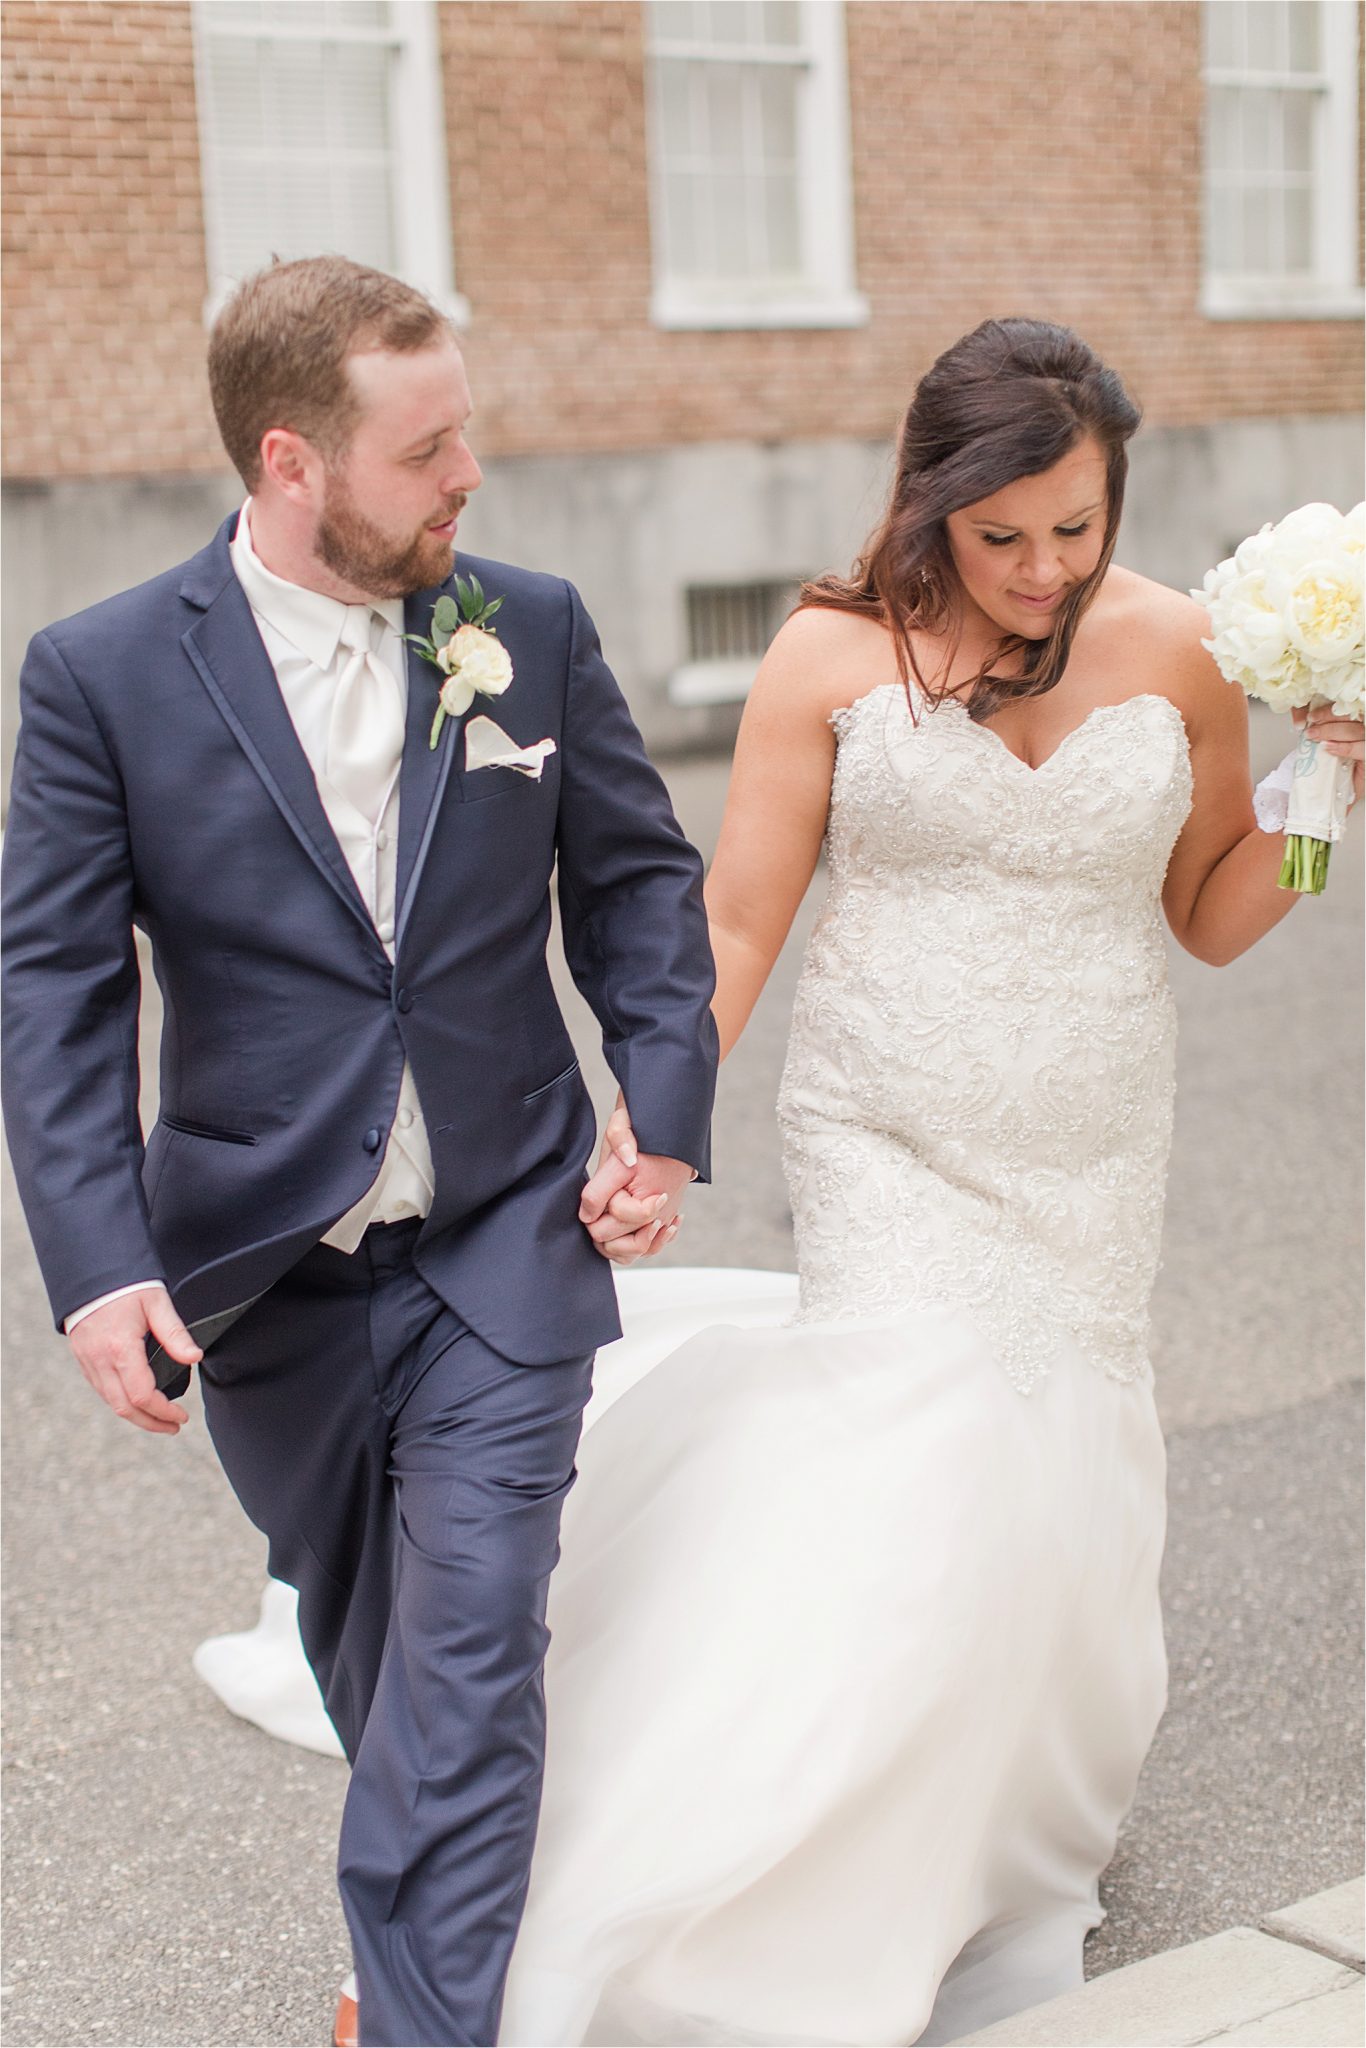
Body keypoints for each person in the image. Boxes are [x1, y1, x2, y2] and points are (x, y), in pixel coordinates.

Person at [193, 315, 1364, 2047]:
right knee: (928, 1464)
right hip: (887, 1134)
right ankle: (701, 1883)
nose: (1043, 571)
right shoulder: (828, 656)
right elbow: (731, 919)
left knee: (1047, 1498)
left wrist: (1325, 796)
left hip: (1090, 1149)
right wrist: (652, 1122)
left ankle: (973, 1813)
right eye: (1003, 535)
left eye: (1077, 529)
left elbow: (1204, 916)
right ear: (931, 504)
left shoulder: (1182, 652)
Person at [1, 255, 718, 2048]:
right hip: (268, 1272)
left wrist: (664, 1108)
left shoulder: (526, 626)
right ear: (290, 463)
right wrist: (98, 1264)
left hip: (504, 1237)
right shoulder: (98, 677)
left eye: (464, 429)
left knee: (470, 1655)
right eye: (427, 448)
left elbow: (636, 880)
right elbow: (59, 994)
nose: (469, 473)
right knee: (376, 1650)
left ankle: (414, 2025)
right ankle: (411, 1960)